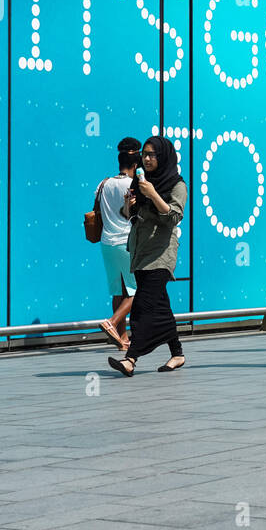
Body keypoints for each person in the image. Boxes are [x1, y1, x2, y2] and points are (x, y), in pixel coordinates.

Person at [106, 136, 188, 376]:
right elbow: (128, 215)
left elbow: (173, 216)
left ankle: (130, 359)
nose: (148, 159)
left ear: (163, 157)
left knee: (142, 305)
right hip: (140, 251)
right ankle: (178, 353)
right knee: (161, 305)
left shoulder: (176, 185)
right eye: (146, 154)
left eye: (153, 155)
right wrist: (128, 205)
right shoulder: (141, 181)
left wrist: (152, 194)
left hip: (161, 253)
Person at [96, 137, 142, 350]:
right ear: (135, 164)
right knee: (137, 290)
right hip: (126, 242)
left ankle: (123, 339)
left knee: (118, 291)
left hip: (107, 243)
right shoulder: (133, 185)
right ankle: (111, 322)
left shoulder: (104, 183)